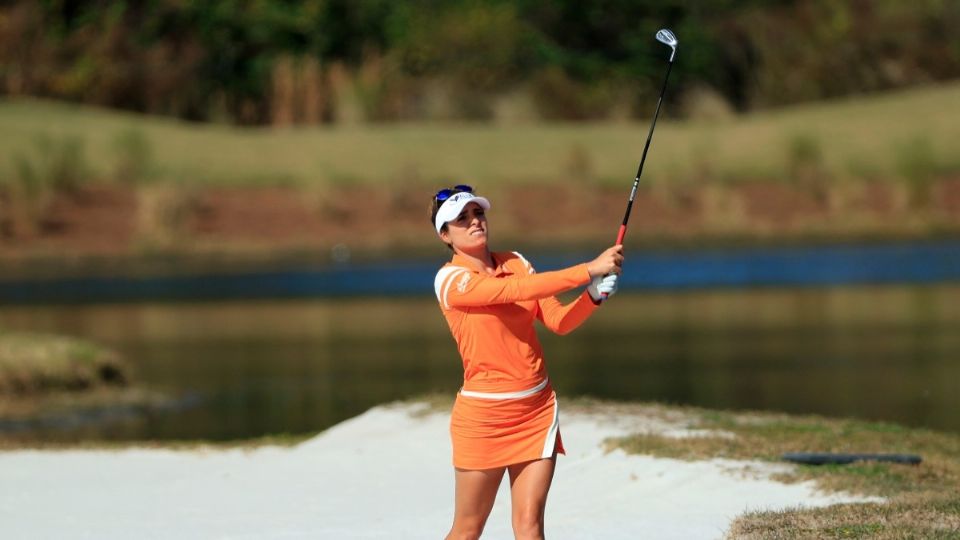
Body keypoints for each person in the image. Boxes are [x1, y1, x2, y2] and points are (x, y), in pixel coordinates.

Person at [430, 184, 623, 540]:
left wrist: (592, 295)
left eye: (478, 214)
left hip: (536, 411)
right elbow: (511, 292)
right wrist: (588, 269)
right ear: (445, 235)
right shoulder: (450, 280)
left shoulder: (517, 262)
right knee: (468, 529)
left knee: (530, 525)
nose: (475, 222)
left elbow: (559, 322)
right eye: (462, 219)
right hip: (484, 420)